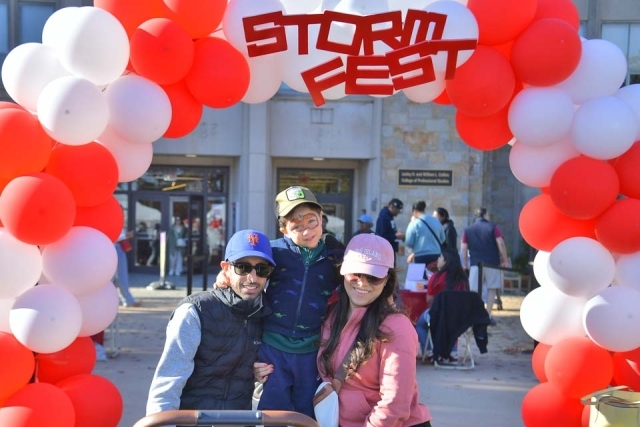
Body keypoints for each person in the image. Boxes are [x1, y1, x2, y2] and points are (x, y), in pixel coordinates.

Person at [259, 234, 432, 426]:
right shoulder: (330, 314)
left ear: (386, 280)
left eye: (373, 277)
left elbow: (395, 405)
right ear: (342, 272)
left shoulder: (397, 327)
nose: (362, 283)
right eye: (355, 274)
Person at [216, 186, 345, 419]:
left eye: (312, 221)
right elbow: (245, 265)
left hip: (312, 351)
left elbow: (363, 279)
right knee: (272, 414)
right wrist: (224, 275)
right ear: (284, 229)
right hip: (272, 349)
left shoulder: (335, 258)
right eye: (297, 226)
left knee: (307, 414)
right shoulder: (274, 251)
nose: (306, 231)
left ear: (321, 218)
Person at [146, 229, 275, 421]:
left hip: (238, 422)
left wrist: (253, 372)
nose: (253, 278)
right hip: (190, 422)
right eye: (242, 267)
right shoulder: (196, 311)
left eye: (262, 269)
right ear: (226, 268)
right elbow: (168, 382)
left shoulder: (266, 313)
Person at [414, 248, 470, 360]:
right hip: (461, 317)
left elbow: (429, 300)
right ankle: (453, 352)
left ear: (445, 261)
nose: (437, 259)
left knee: (420, 324)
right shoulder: (463, 278)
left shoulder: (437, 277)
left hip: (440, 314)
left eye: (440, 257)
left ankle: (429, 351)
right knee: (450, 323)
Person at [460, 207, 509, 324]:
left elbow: (463, 248)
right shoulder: (493, 227)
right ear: (485, 215)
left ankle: (475, 314)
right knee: (492, 288)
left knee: (475, 290)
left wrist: (465, 264)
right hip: (492, 263)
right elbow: (500, 243)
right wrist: (505, 259)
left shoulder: (468, 230)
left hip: (475, 263)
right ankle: (487, 314)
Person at [405, 201, 445, 271]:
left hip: (420, 256)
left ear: (414, 211)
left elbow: (409, 242)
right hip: (436, 255)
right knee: (434, 278)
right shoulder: (436, 221)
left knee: (419, 279)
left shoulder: (414, 223)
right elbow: (443, 238)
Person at [115, 228, 141, 308]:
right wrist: (125, 235)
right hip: (115, 246)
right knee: (121, 275)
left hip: (115, 246)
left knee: (117, 276)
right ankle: (128, 300)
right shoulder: (112, 219)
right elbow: (113, 235)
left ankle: (127, 299)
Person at [375, 198, 404, 265]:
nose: (398, 212)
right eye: (398, 210)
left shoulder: (389, 217)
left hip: (389, 250)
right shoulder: (384, 217)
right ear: (392, 207)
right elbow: (382, 236)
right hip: (384, 251)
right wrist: (395, 236)